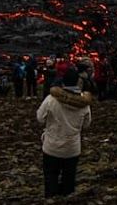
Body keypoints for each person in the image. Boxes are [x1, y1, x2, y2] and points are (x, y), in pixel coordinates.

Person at [37, 67, 93, 198]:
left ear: (63, 82)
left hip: (52, 146)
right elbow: (87, 124)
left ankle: (51, 198)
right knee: (69, 181)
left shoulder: (51, 99)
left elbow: (40, 118)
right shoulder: (84, 103)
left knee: (51, 178)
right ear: (77, 82)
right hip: (72, 148)